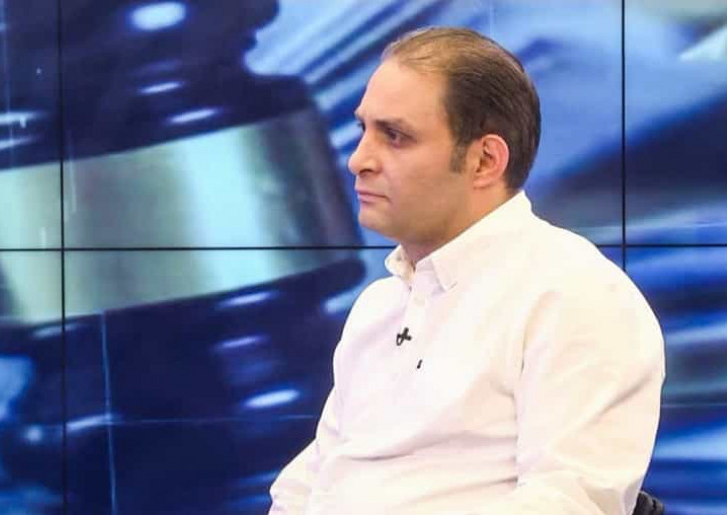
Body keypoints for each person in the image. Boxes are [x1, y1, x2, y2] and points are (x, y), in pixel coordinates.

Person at [269, 27, 665, 514]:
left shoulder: (574, 295)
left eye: (395, 136)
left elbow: (567, 502)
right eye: (362, 131)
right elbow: (310, 484)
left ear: (484, 161)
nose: (358, 160)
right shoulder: (379, 306)